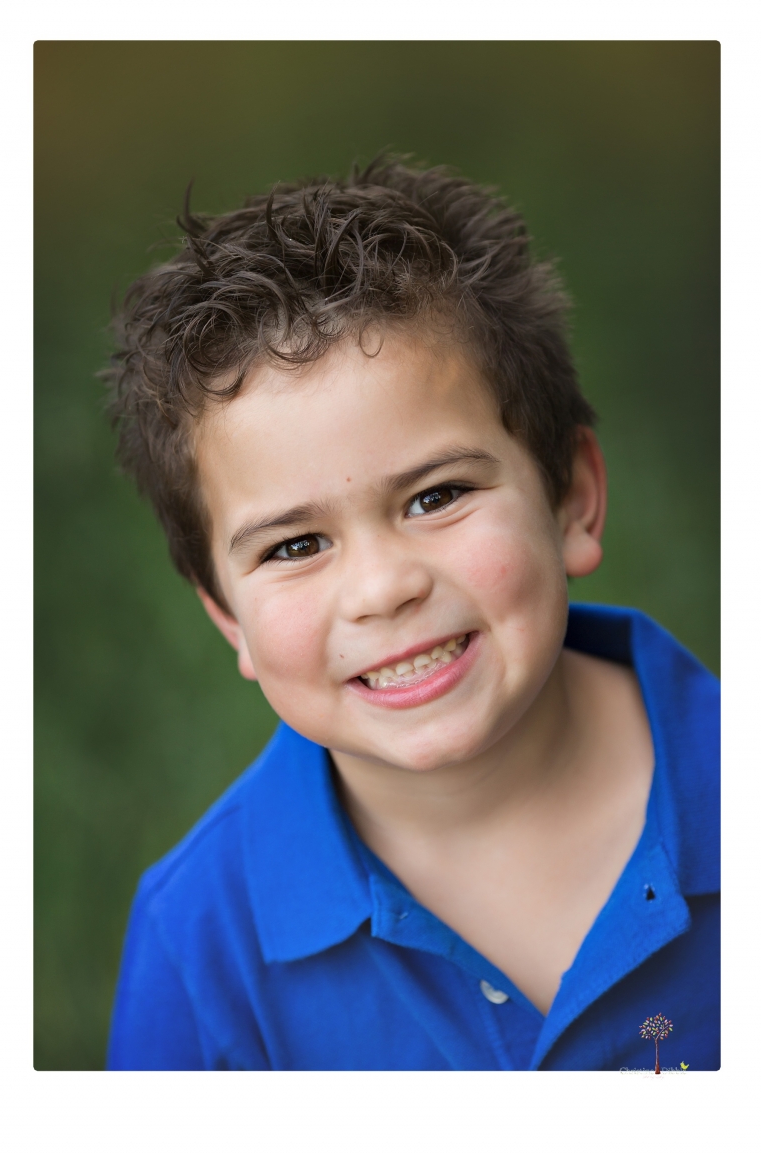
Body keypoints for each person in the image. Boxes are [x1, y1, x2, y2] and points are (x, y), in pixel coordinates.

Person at [104, 158, 719, 1071]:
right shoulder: (199, 945)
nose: (383, 588)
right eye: (294, 546)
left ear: (572, 498)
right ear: (227, 618)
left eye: (436, 497)